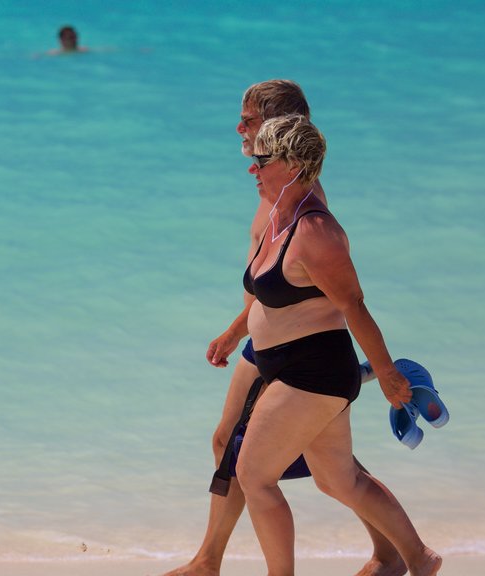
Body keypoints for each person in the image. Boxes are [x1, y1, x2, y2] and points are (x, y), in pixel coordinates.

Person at [162, 80, 405, 576]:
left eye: (249, 121)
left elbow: (336, 292)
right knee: (236, 444)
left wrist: (383, 369)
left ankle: (395, 553)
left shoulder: (304, 201)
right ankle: (209, 559)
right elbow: (266, 271)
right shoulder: (273, 188)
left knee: (317, 467)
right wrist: (235, 331)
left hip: (301, 350)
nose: (240, 129)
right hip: (265, 339)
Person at [234, 114, 441, 575]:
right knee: (336, 479)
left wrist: (386, 374)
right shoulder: (277, 218)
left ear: (289, 164)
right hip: (298, 371)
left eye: (261, 160)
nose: (253, 168)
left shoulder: (314, 232)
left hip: (312, 373)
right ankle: (420, 559)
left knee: (254, 475)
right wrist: (234, 333)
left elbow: (355, 307)